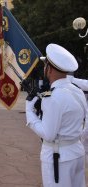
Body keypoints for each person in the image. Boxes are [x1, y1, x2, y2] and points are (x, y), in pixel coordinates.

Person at [25, 43, 87, 187]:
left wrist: (29, 113)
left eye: (45, 65)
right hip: (76, 152)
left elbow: (48, 134)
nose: (44, 68)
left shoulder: (52, 97)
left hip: (58, 158)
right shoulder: (77, 91)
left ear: (49, 69)